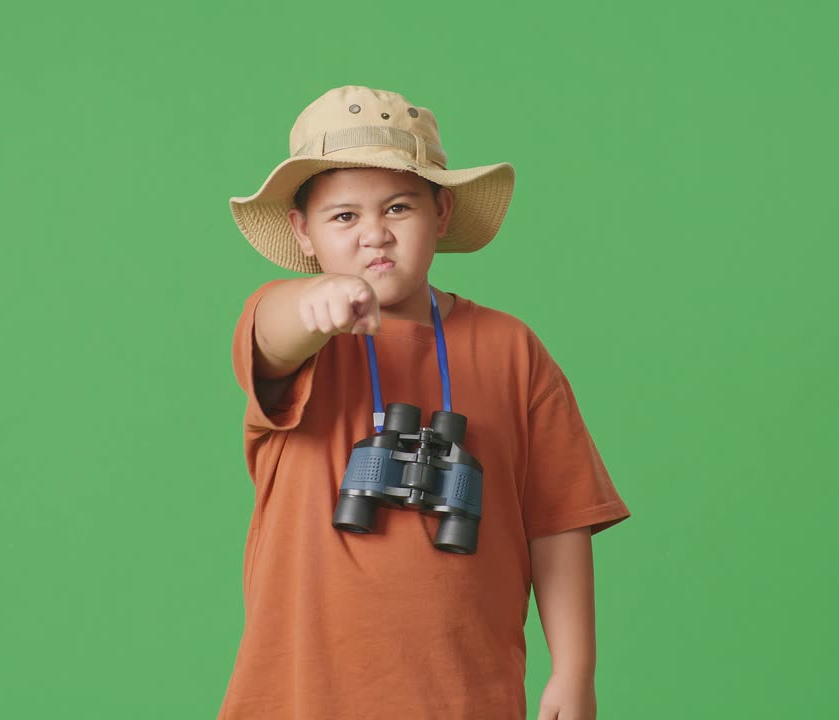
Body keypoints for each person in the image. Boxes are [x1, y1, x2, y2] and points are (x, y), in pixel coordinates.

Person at [220, 85, 631, 719]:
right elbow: (270, 335)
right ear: (302, 233)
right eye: (344, 217)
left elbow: (559, 520)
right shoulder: (301, 337)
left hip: (466, 693)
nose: (374, 236)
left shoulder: (510, 348)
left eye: (399, 209)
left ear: (440, 215)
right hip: (304, 696)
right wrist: (312, 307)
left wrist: (575, 671)